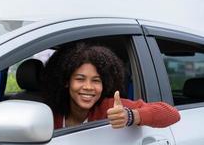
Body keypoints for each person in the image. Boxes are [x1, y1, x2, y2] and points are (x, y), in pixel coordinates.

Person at [42, 41, 180, 129]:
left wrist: (130, 116)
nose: (88, 87)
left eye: (96, 80)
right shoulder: (52, 113)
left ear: (105, 83)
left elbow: (172, 114)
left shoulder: (110, 107)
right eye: (80, 79)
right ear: (67, 81)